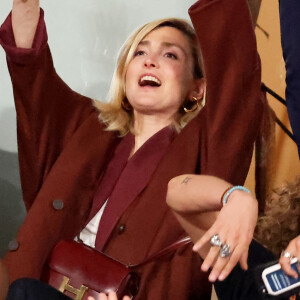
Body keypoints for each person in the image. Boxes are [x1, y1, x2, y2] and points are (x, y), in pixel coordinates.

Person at [0, 0, 264, 298]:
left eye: (170, 54)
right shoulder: (82, 125)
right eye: (140, 52)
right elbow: (31, 73)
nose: (150, 61)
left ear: (197, 87)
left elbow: (235, 77)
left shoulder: (207, 145)